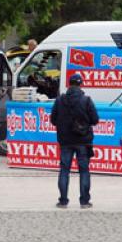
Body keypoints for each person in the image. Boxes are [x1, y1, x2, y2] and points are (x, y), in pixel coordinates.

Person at [50, 73, 98, 209]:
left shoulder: (60, 100)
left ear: (69, 84)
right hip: (83, 141)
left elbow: (53, 120)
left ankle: (63, 201)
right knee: (84, 170)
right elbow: (95, 120)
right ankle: (84, 201)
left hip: (65, 141)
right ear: (80, 84)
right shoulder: (86, 100)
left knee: (64, 170)